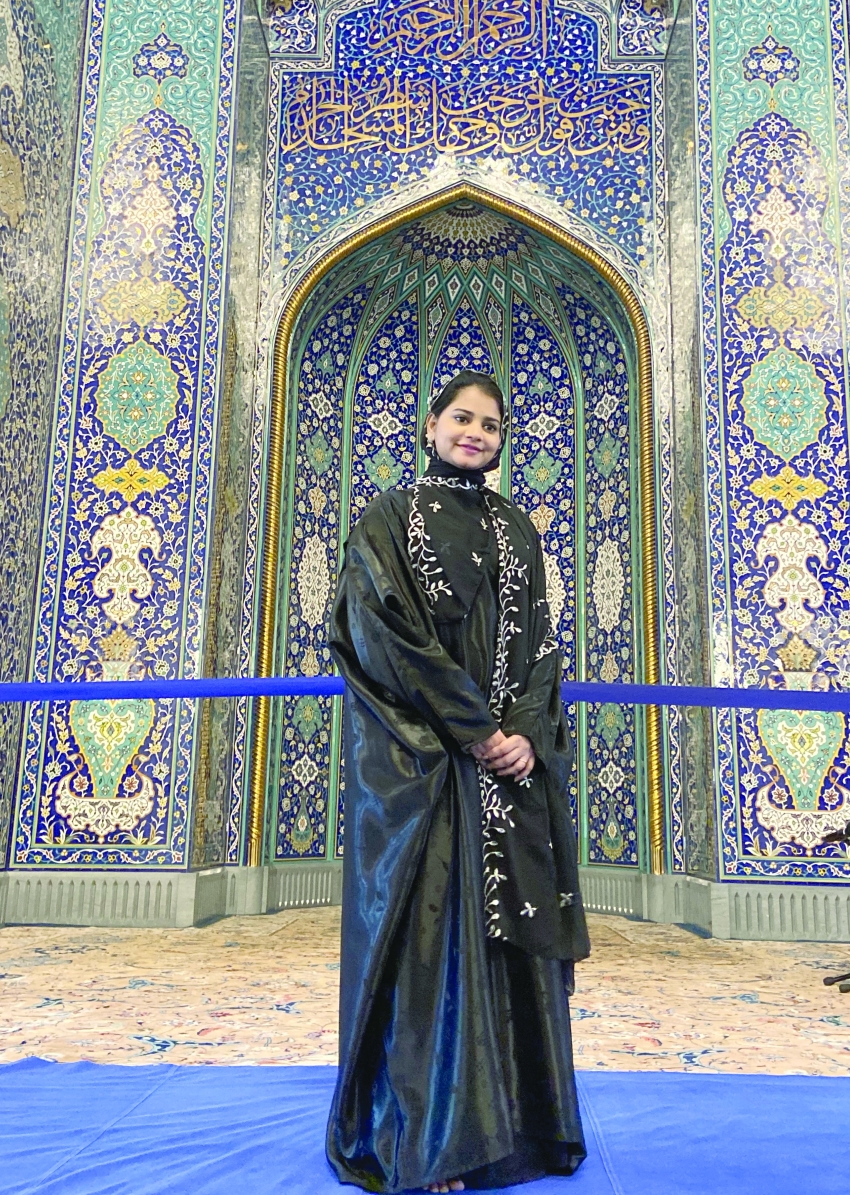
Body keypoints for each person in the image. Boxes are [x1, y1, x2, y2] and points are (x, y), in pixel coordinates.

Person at [326, 370, 590, 1194]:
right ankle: (433, 1141)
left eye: (491, 423)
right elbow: (383, 635)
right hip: (427, 770)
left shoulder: (520, 527)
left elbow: (542, 650)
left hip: (507, 771)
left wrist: (525, 740)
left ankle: (518, 1133)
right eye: (463, 419)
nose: (476, 432)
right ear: (432, 424)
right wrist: (476, 732)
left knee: (511, 937)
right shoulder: (388, 520)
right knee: (432, 945)